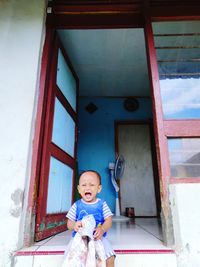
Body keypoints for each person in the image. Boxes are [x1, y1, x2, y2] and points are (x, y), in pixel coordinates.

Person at [66, 170, 115, 267]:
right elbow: (69, 223)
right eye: (84, 185)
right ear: (79, 189)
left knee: (110, 257)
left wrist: (102, 229)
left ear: (99, 188)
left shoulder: (102, 204)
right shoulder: (76, 205)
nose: (87, 188)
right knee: (70, 257)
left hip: (98, 238)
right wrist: (74, 225)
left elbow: (108, 220)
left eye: (92, 185)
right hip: (79, 238)